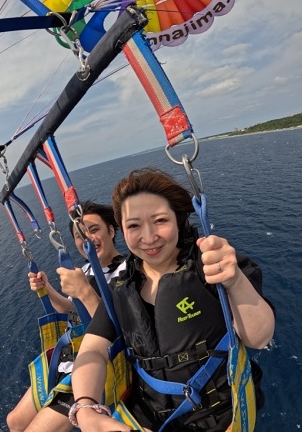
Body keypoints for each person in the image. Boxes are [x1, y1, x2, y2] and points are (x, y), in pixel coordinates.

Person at [70, 168, 276, 432]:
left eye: (160, 221)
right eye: (134, 226)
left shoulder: (212, 266)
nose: (148, 237)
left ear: (178, 220)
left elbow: (259, 338)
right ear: (121, 229)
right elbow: (92, 349)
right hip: (148, 419)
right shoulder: (120, 288)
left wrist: (234, 280)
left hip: (219, 418)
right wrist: (86, 408)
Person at [6, 201, 126, 432]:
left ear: (111, 231)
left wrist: (85, 291)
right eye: (79, 235)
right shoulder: (86, 271)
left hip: (98, 366)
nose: (87, 239)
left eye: (94, 230)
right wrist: (47, 289)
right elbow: (70, 310)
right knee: (15, 421)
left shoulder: (126, 272)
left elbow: (121, 333)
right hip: (69, 358)